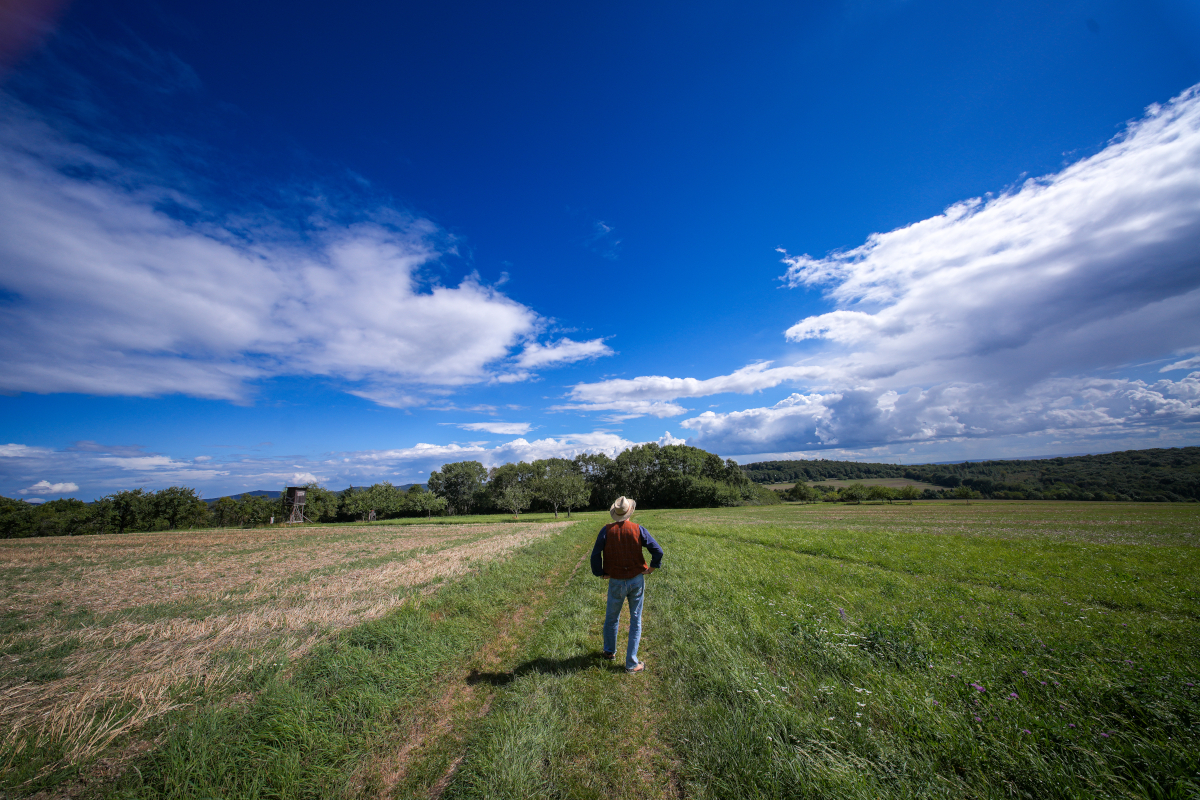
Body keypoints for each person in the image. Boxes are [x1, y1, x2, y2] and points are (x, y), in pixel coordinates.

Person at [590, 495, 663, 673]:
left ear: (615, 513)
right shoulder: (638, 529)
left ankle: (609, 652)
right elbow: (658, 551)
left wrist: (601, 573)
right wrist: (652, 568)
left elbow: (595, 555)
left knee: (611, 618)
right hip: (636, 579)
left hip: (615, 580)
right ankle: (631, 663)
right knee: (635, 620)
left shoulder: (606, 531)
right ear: (630, 512)